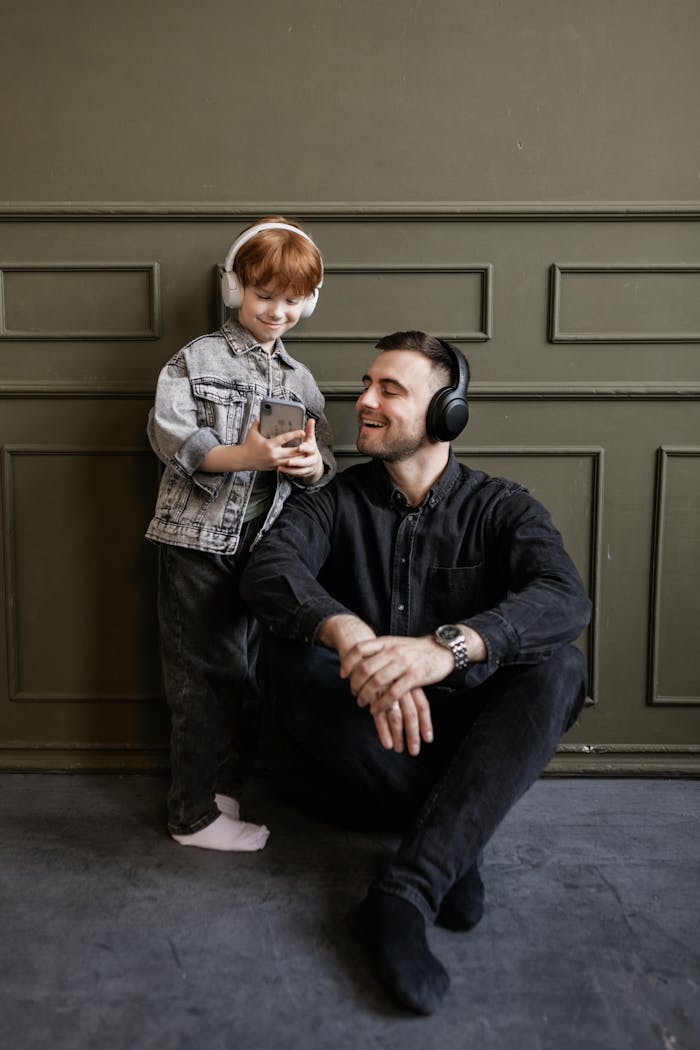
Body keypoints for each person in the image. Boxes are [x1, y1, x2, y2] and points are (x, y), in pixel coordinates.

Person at [240, 330, 591, 1013]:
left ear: (445, 413)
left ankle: (407, 889)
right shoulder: (332, 499)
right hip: (361, 755)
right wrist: (353, 638)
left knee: (561, 667)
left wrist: (444, 648)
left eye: (389, 390)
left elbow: (563, 597)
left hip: (465, 740)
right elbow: (269, 569)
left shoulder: (502, 506)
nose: (364, 401)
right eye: (366, 385)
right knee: (286, 651)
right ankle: (456, 838)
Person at [146, 216, 336, 852]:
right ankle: (192, 816)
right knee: (204, 680)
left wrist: (311, 466)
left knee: (247, 676)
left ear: (309, 302)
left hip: (261, 550)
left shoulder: (299, 380)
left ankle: (221, 791)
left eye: (292, 300)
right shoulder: (197, 359)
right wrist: (245, 457)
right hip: (197, 544)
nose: (277, 312)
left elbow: (323, 457)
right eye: (264, 295)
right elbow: (173, 438)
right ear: (235, 290)